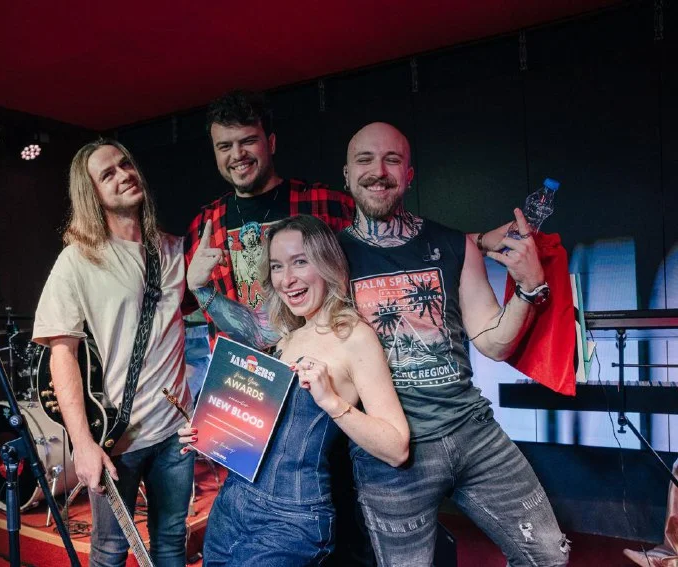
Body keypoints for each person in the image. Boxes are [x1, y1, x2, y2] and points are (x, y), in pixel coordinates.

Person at [192, 122, 570, 566]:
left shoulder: (453, 245)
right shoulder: (330, 256)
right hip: (390, 460)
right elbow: (272, 331)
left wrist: (527, 288)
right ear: (347, 175)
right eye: (365, 160)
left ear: (410, 174)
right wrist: (203, 292)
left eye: (392, 160)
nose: (378, 171)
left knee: (549, 554)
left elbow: (494, 343)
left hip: (471, 432)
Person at [183, 214, 409, 566]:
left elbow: (397, 448)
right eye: (277, 266)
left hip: (289, 521)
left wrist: (331, 401)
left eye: (300, 262)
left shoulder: (355, 337)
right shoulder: (286, 335)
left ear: (328, 264)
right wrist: (208, 431)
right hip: (232, 503)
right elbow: (264, 431)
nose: (287, 279)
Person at [32, 139, 194, 567]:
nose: (124, 175)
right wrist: (83, 445)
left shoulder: (173, 249)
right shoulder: (78, 261)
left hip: (176, 433)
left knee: (171, 541)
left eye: (126, 164)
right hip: (116, 438)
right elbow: (61, 355)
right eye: (108, 174)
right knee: (110, 552)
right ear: (92, 193)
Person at [184, 90, 355, 315]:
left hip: (316, 336)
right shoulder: (203, 226)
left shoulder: (325, 204)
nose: (237, 154)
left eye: (248, 141)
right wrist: (194, 284)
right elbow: (176, 306)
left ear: (271, 143)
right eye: (225, 146)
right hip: (236, 339)